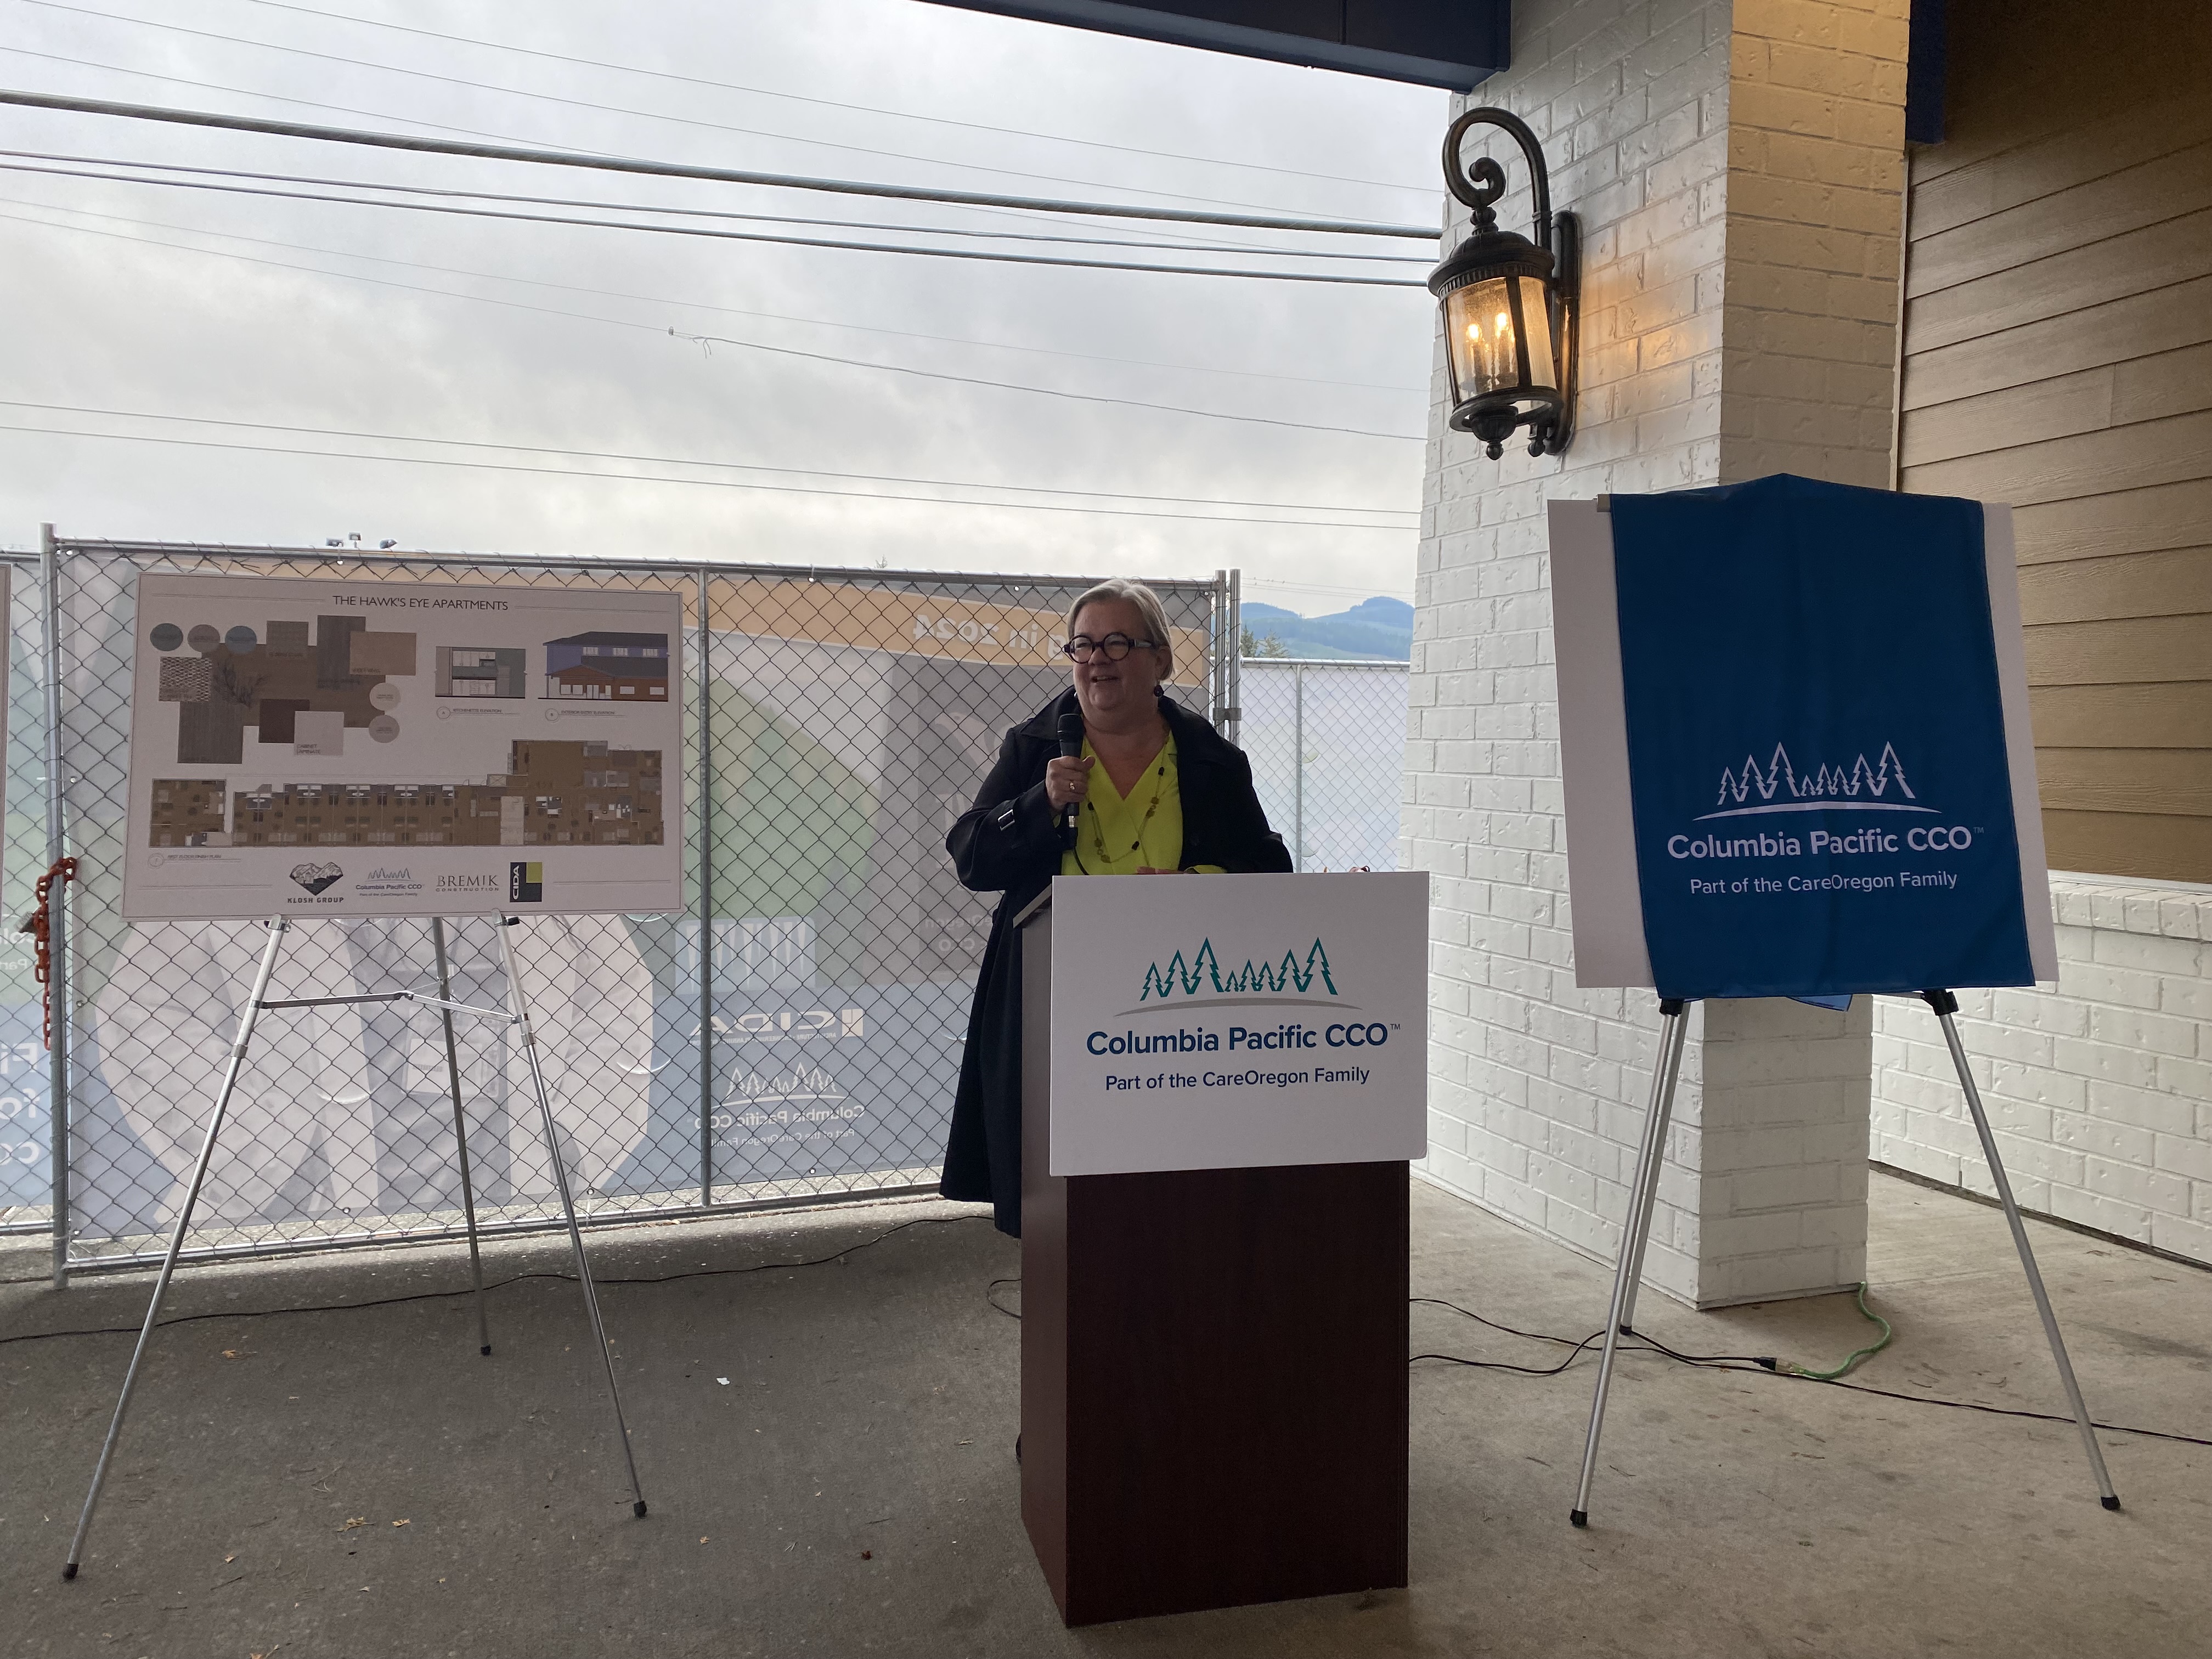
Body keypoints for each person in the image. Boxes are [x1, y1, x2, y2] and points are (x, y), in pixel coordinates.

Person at [939, 578, 1292, 1235]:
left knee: (1166, 1194)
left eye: (1118, 642)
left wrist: (1201, 881)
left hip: (1174, 1018)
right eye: (1083, 644)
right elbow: (971, 856)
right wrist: (1036, 806)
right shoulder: (1035, 747)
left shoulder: (1211, 761)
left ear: (1160, 659)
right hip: (1053, 1005)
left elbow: (1270, 866)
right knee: (1065, 1205)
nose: (1096, 658)